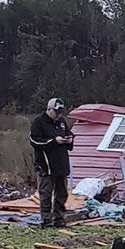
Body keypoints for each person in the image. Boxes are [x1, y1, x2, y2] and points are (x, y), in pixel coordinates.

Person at [29, 97, 75, 228]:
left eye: (61, 112)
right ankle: (46, 220)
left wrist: (70, 139)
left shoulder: (61, 122)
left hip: (61, 164)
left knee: (62, 193)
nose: (59, 115)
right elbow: (34, 141)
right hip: (46, 165)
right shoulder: (39, 122)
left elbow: (68, 133)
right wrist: (54, 141)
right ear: (49, 110)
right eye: (56, 112)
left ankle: (59, 218)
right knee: (46, 193)